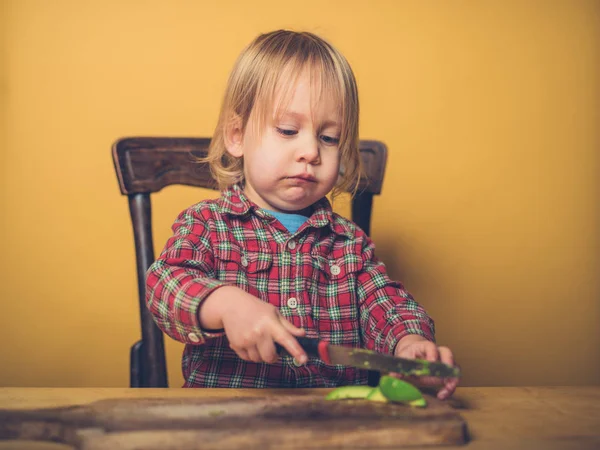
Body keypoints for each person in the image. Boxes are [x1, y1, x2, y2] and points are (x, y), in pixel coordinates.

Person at [145, 29, 458, 399]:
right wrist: (224, 305)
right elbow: (164, 284)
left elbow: (385, 302)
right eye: (288, 130)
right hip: (227, 421)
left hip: (333, 422)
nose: (311, 150)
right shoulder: (208, 225)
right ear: (237, 135)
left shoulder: (349, 243)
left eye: (328, 138)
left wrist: (409, 341)